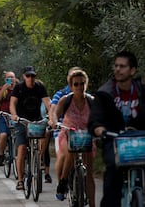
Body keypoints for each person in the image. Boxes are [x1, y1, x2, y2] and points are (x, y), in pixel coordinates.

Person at [88, 51, 145, 207]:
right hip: (114, 141)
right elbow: (94, 121)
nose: (118, 69)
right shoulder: (104, 93)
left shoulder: (141, 91)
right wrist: (101, 130)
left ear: (132, 70)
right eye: (116, 66)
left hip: (140, 140)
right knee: (113, 175)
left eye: (123, 66)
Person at [50, 70, 96, 206]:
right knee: (71, 148)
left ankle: (92, 204)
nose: (80, 87)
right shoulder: (66, 100)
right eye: (76, 84)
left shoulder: (91, 101)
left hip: (87, 136)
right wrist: (53, 122)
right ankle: (63, 180)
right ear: (71, 86)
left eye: (82, 84)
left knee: (90, 174)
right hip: (68, 133)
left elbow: (100, 117)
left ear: (86, 84)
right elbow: (55, 114)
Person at [10, 65, 51, 190]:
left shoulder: (40, 87)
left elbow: (48, 103)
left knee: (47, 133)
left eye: (33, 76)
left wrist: (51, 116)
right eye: (28, 76)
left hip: (36, 121)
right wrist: (14, 115)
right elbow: (13, 103)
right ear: (23, 77)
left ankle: (39, 157)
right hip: (22, 121)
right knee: (22, 149)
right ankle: (20, 180)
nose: (30, 78)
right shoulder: (18, 88)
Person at [49, 66, 82, 185]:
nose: (78, 85)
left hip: (81, 131)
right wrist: (54, 121)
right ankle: (61, 185)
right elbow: (53, 110)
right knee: (62, 157)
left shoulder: (86, 97)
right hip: (63, 130)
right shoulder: (61, 94)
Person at [0, 71, 16, 166]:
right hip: (4, 116)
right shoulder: (2, 89)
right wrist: (4, 88)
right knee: (3, 135)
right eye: (8, 78)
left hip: (16, 117)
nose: (11, 79)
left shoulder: (19, 89)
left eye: (12, 77)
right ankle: (1, 154)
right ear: (5, 79)